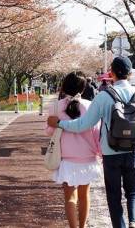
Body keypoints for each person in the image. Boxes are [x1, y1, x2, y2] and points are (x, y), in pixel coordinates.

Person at [48, 57, 135, 228]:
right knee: (134, 193)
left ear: (111, 73)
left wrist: (60, 123)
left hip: (111, 152)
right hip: (134, 151)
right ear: (131, 74)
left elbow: (83, 124)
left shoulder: (104, 97)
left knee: (113, 196)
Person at [45, 72, 102, 228]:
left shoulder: (55, 107)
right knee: (84, 196)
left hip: (67, 159)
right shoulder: (90, 106)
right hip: (88, 158)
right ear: (84, 88)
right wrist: (101, 154)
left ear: (63, 87)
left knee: (70, 197)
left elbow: (49, 132)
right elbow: (97, 133)